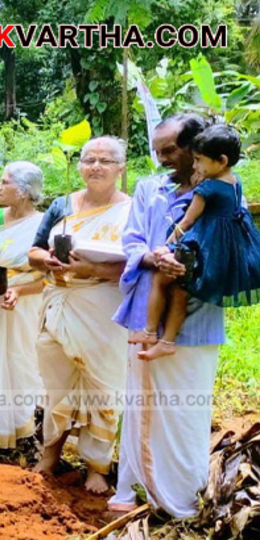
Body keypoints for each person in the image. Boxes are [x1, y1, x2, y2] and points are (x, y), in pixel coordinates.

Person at [108, 114, 228, 517]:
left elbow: (231, 248)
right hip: (146, 309)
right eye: (156, 151)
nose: (161, 159)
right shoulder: (149, 188)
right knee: (138, 402)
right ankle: (132, 490)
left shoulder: (222, 191)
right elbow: (132, 239)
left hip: (198, 315)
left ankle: (180, 500)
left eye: (170, 150)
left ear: (196, 148)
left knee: (184, 409)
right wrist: (152, 257)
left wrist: (191, 266)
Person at [28, 136, 132, 494]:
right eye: (89, 160)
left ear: (121, 168)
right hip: (60, 301)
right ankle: (50, 456)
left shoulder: (133, 210)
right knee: (56, 384)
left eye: (105, 161)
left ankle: (97, 467)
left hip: (105, 309)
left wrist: (95, 270)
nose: (96, 167)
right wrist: (47, 260)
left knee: (103, 387)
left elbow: (139, 265)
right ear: (80, 166)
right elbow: (33, 252)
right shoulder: (62, 205)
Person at [131, 124, 260, 360]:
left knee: (161, 280)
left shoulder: (207, 189)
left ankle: (149, 331)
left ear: (221, 161)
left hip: (202, 245)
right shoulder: (235, 182)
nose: (194, 166)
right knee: (180, 289)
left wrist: (166, 245)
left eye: (199, 160)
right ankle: (167, 340)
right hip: (222, 250)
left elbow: (187, 222)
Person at [0, 161, 45, 453]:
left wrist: (18, 290)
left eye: (5, 182)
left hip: (24, 306)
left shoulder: (43, 225)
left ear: (24, 191)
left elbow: (52, 277)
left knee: (19, 361)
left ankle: (20, 430)